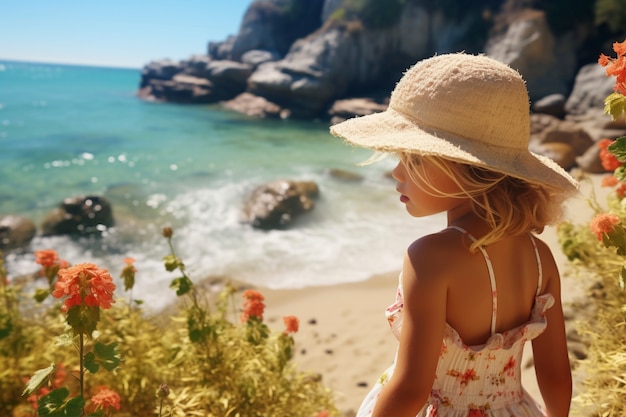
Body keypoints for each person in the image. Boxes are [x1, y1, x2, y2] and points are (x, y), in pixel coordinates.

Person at [329, 53, 577, 417]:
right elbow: (555, 376)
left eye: (413, 159)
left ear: (464, 167)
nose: (397, 173)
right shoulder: (541, 258)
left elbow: (412, 389)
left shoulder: (429, 258)